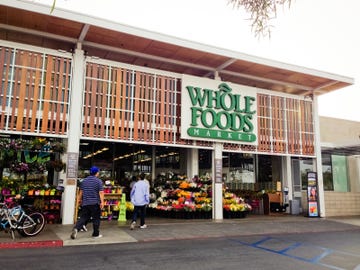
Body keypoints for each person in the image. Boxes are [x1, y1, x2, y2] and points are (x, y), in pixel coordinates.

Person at [71, 166, 104, 239]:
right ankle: (95, 234)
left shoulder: (84, 181)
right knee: (96, 218)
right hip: (95, 203)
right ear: (97, 173)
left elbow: (80, 192)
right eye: (98, 172)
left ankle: (76, 228)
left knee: (83, 217)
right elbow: (101, 193)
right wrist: (102, 202)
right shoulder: (98, 181)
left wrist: (78, 201)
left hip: (85, 203)